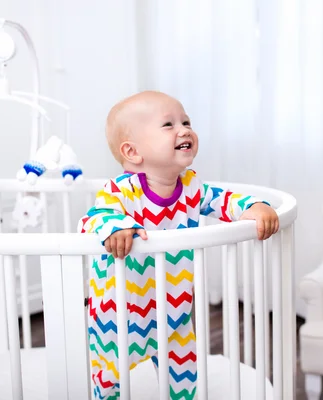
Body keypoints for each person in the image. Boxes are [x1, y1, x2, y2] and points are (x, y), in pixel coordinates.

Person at [78, 90, 279, 399]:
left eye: (185, 121)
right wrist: (117, 227)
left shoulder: (192, 188)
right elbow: (97, 216)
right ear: (132, 152)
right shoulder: (120, 192)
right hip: (120, 312)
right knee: (109, 377)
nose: (184, 129)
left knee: (185, 375)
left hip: (175, 310)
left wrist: (253, 207)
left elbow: (224, 200)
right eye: (168, 125)